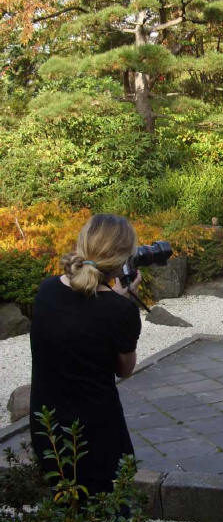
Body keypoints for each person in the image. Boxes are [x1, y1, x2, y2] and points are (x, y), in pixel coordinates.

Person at [29, 213, 142, 498]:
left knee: (67, 509)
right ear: (122, 258)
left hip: (48, 426)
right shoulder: (119, 310)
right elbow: (124, 368)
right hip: (97, 430)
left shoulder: (46, 291)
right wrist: (123, 303)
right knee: (108, 512)